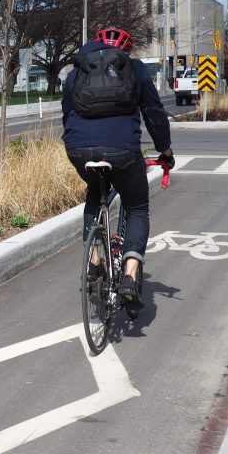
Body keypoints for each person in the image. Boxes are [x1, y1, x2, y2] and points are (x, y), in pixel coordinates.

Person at [62, 27, 175, 309]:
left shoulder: (77, 71)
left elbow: (66, 113)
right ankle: (129, 274)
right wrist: (165, 150)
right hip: (122, 150)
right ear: (126, 51)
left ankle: (95, 263)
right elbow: (153, 112)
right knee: (137, 207)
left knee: (94, 194)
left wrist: (81, 143)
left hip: (78, 148)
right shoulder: (134, 69)